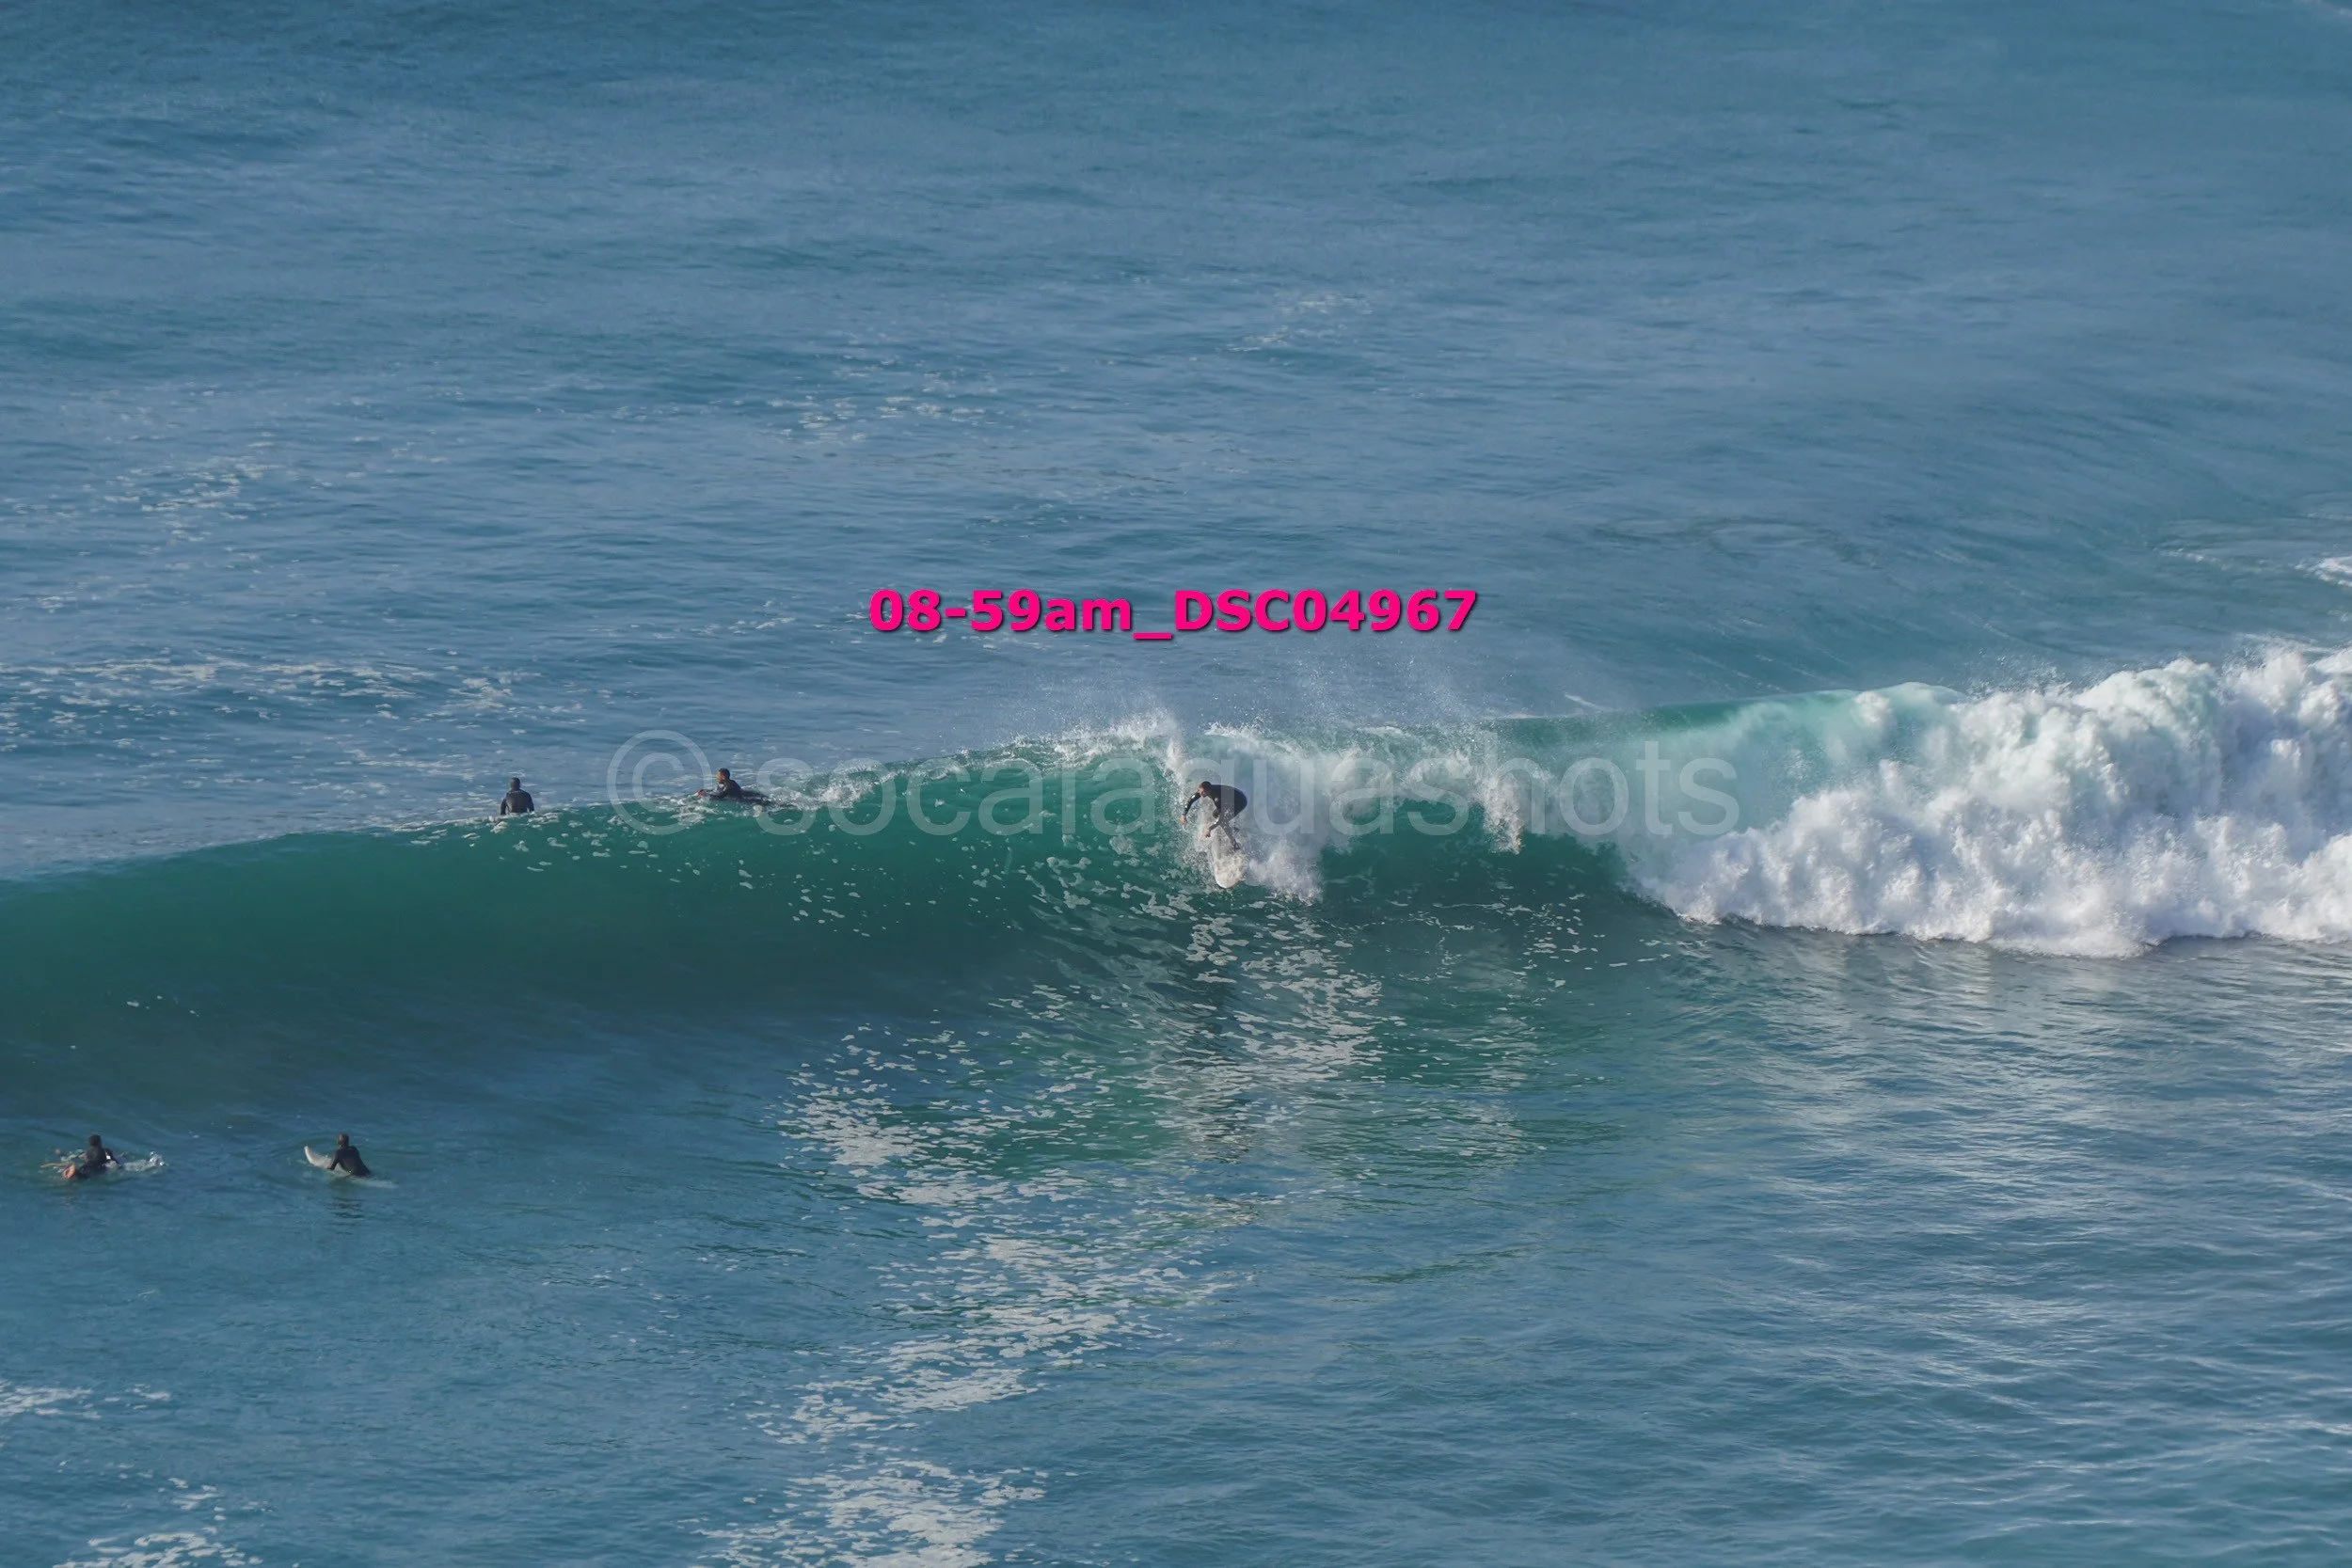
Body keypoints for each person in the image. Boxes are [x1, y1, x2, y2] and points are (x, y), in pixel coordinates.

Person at [1182, 780, 1248, 847]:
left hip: (1240, 802)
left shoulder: (1217, 799)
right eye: (1199, 791)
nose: (1200, 794)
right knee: (1215, 814)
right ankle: (1233, 828)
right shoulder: (1204, 791)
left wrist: (1210, 828)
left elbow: (1221, 818)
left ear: (1208, 791)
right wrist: (1184, 814)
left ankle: (1234, 843)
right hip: (1232, 797)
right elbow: (1191, 800)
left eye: (1203, 792)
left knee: (1223, 821)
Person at [697, 768, 771, 806]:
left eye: (718, 776)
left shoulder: (729, 785)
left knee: (769, 803)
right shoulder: (728, 783)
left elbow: (721, 797)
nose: (716, 778)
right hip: (747, 794)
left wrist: (706, 795)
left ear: (723, 777)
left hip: (748, 799)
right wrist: (706, 790)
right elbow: (717, 791)